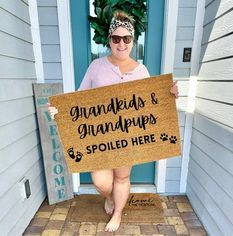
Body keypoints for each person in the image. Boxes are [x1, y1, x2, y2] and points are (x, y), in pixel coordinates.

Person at [48, 10, 178, 232]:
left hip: (128, 136)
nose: (121, 44)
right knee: (100, 181)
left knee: (122, 176)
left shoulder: (141, 70)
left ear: (132, 40)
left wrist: (169, 94)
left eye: (126, 39)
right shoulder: (96, 67)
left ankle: (117, 211)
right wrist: (60, 110)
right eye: (116, 38)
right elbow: (79, 98)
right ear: (109, 40)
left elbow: (151, 103)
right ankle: (110, 197)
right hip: (100, 136)